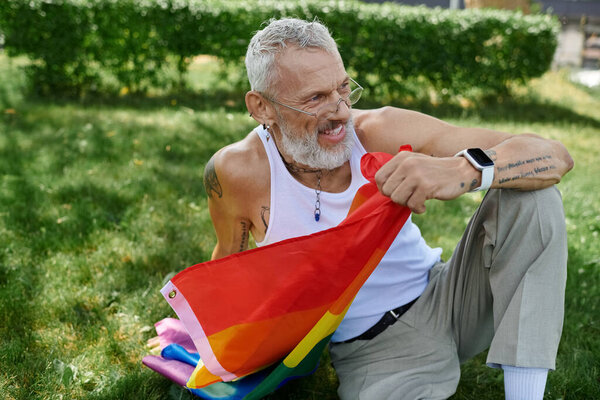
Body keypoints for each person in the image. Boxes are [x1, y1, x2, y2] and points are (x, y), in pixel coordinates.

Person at [202, 18, 574, 400]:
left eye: (344, 88)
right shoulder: (235, 172)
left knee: (532, 194)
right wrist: (201, 337)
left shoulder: (379, 129)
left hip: (451, 295)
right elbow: (228, 264)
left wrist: (464, 169)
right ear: (261, 106)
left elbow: (554, 155)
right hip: (375, 348)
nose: (342, 111)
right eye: (315, 98)